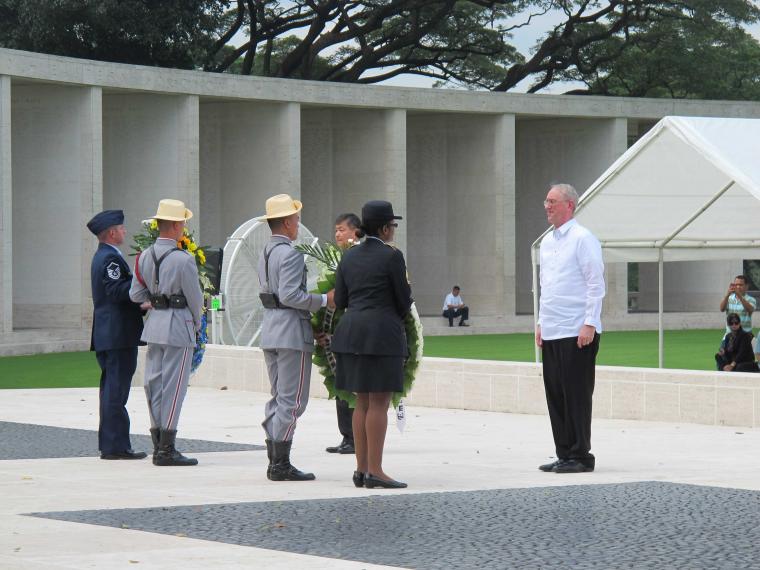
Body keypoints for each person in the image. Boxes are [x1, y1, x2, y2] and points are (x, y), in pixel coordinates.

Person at [332, 200, 413, 489]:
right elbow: (404, 300)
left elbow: (340, 300)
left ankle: (361, 468)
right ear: (383, 227)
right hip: (380, 335)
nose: (393, 229)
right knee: (379, 402)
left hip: (351, 332)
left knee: (362, 402)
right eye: (392, 224)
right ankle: (375, 470)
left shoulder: (349, 256)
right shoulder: (392, 256)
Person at [257, 193, 333, 481]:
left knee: (279, 397)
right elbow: (291, 295)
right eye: (296, 219)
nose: (298, 224)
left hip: (272, 328)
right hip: (290, 329)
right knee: (293, 401)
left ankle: (275, 456)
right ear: (287, 222)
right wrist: (324, 300)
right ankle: (280, 463)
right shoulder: (289, 253)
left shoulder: (266, 251)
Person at [535, 183, 605, 474]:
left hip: (577, 329)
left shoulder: (582, 238)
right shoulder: (547, 242)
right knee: (556, 394)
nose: (547, 206)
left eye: (552, 201)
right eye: (546, 201)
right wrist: (540, 322)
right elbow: (545, 287)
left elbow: (595, 283)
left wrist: (590, 322)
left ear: (569, 206)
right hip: (552, 328)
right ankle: (563, 452)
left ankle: (581, 454)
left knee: (576, 393)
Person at [129, 199, 203, 467]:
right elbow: (195, 299)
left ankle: (157, 440)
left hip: (155, 324)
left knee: (154, 384)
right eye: (182, 222)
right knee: (174, 387)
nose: (184, 226)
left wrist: (155, 299)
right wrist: (197, 324)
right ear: (173, 225)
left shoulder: (144, 255)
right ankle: (166, 449)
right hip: (179, 324)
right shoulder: (184, 259)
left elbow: (135, 294)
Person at [87, 210, 148, 461]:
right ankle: (116, 447)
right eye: (122, 228)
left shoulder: (105, 255)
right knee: (116, 391)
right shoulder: (110, 258)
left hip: (110, 333)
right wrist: (142, 290)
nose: (125, 231)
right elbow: (116, 289)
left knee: (112, 390)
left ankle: (114, 444)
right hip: (117, 333)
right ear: (112, 232)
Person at [325, 213, 364, 455]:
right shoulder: (335, 260)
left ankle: (356, 436)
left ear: (355, 231)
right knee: (339, 382)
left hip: (358, 330)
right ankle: (347, 435)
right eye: (336, 230)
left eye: (342, 229)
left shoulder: (360, 257)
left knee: (355, 386)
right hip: (340, 332)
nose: (337, 234)